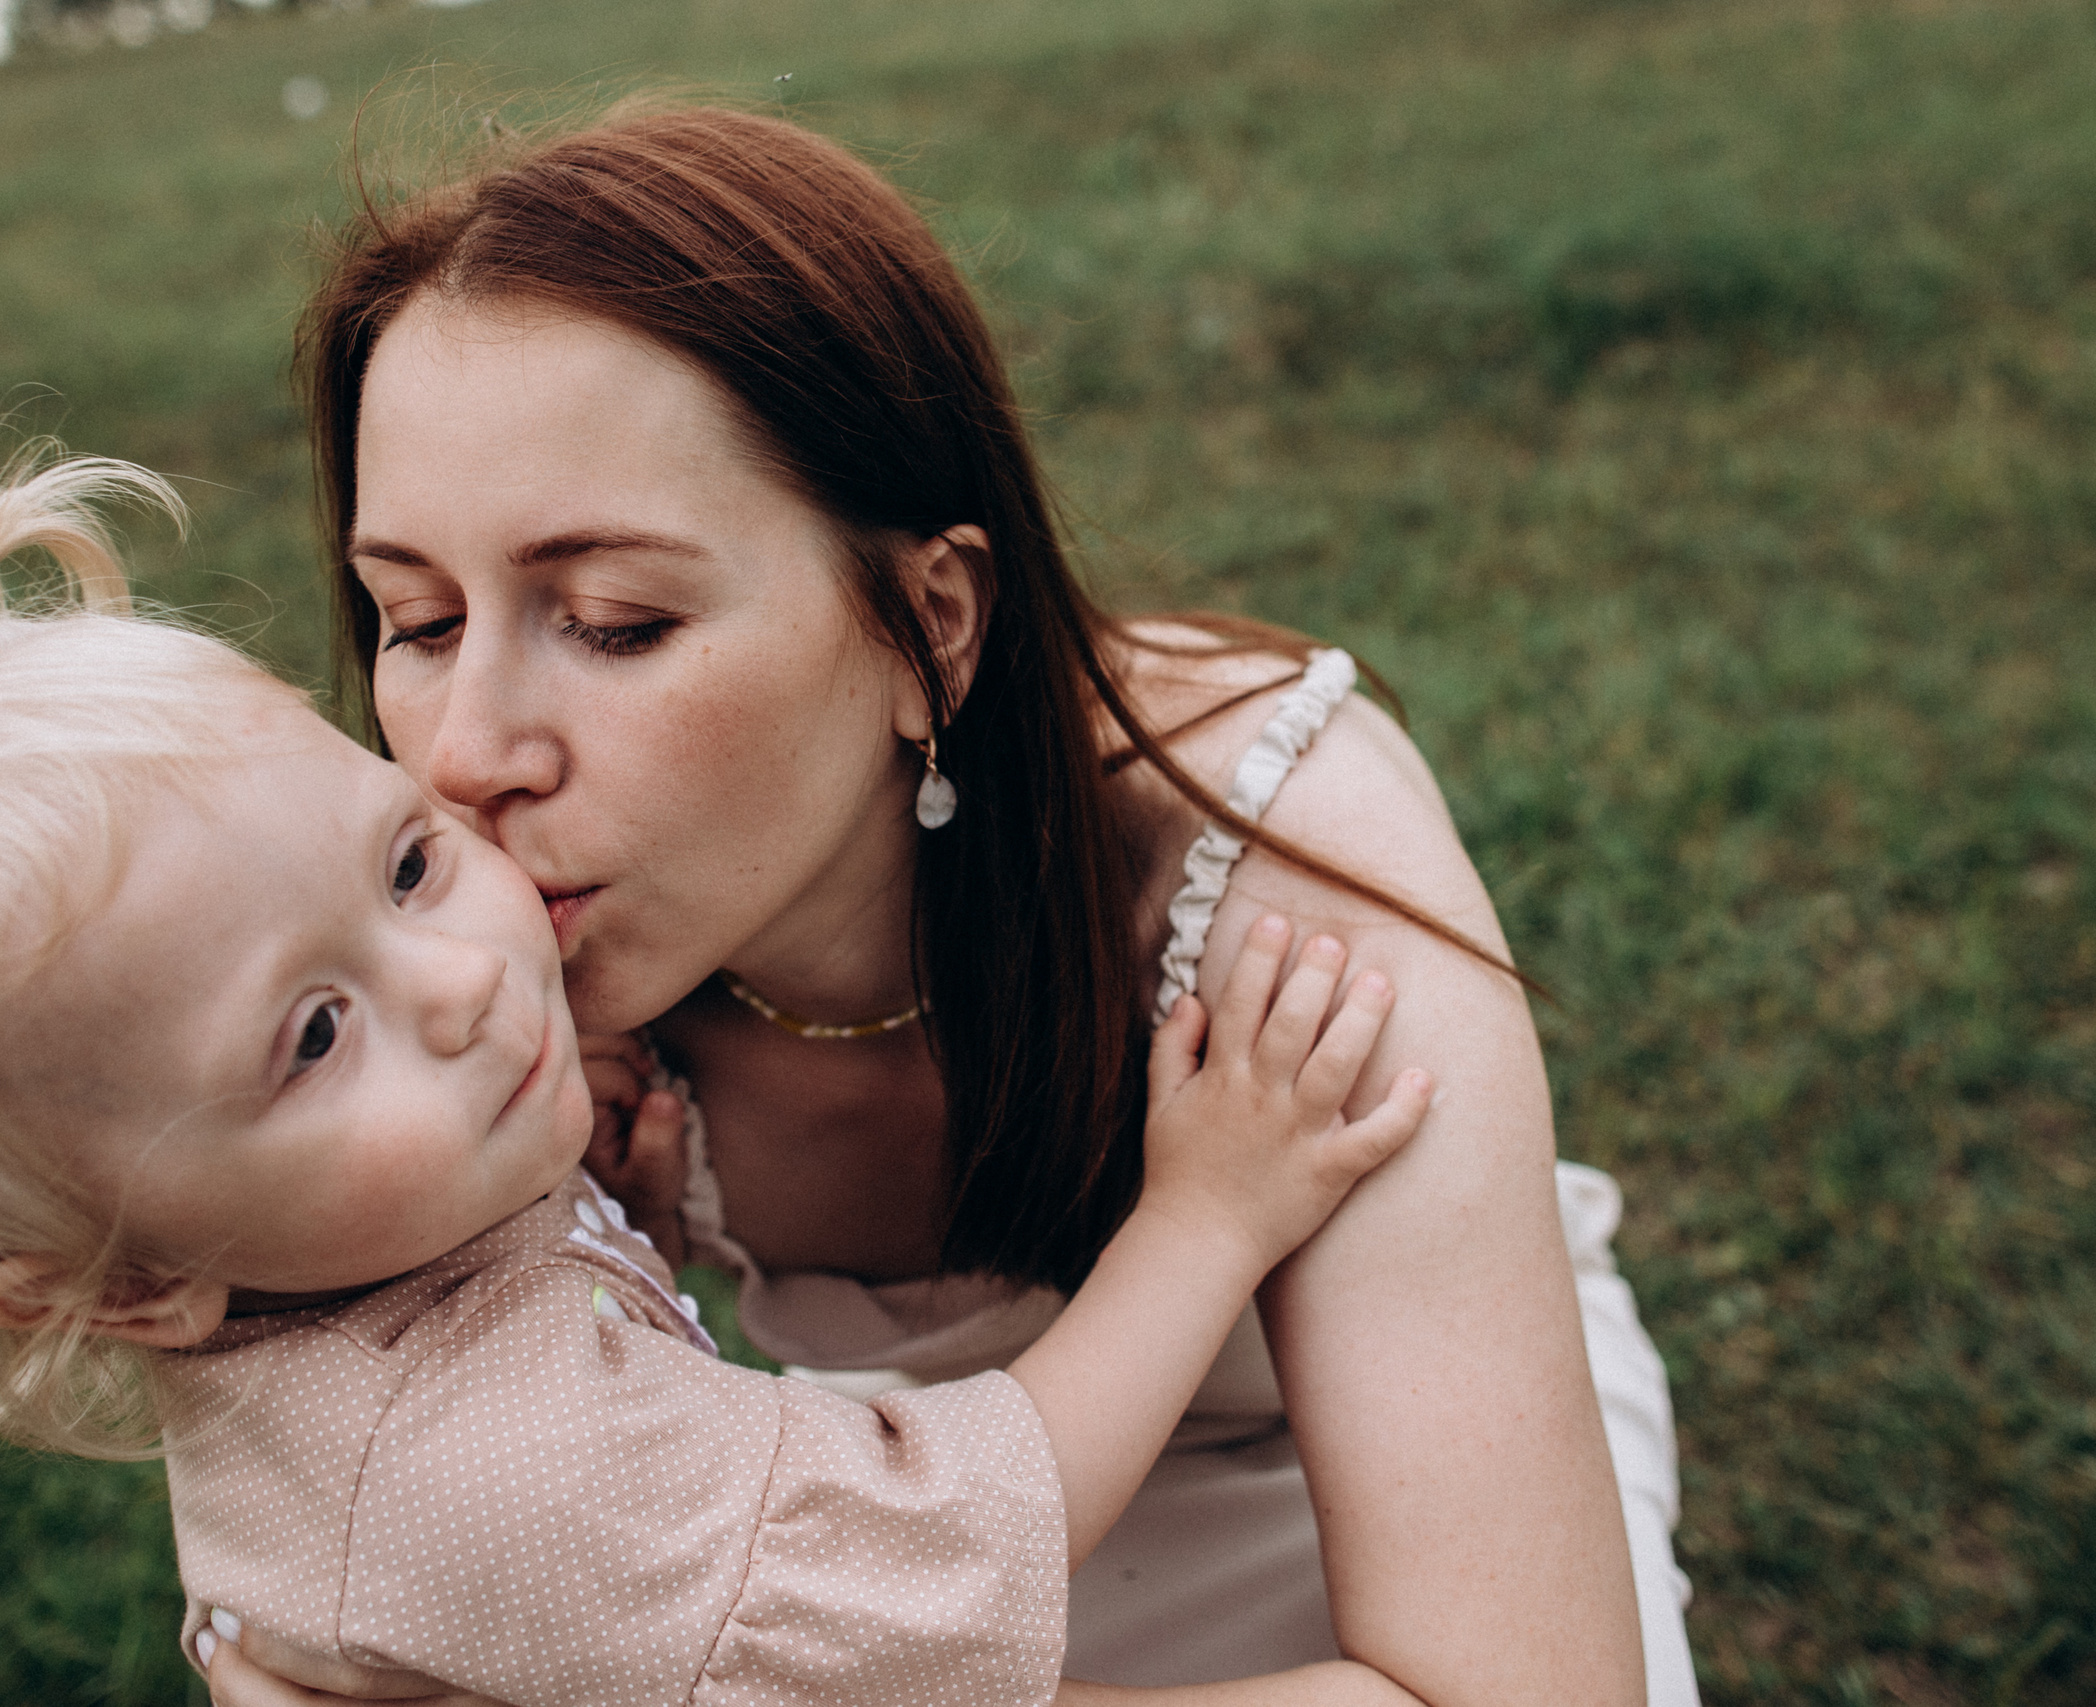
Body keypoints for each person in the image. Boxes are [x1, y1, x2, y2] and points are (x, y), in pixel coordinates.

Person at [0, 372, 1440, 1706]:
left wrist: (620, 1220)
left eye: (406, 861)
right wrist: (1207, 1216)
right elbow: (948, 1544)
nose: (456, 979)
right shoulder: (503, 1474)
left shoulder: (354, 1265)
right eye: (311, 1037)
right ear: (128, 1289)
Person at [226, 101, 1698, 1707]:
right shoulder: (456, 994)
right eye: (419, 620)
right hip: (923, 1534)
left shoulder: (1272, 877)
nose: (465, 755)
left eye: (614, 619)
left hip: (1384, 1510)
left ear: (928, 626)